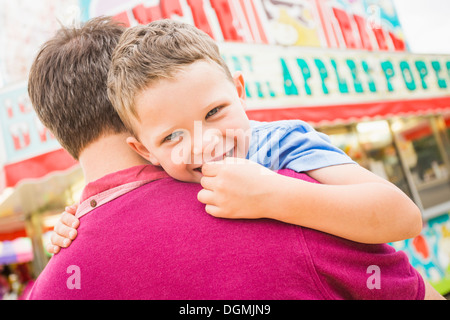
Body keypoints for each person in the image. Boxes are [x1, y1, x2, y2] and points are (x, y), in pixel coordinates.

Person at [26, 17, 443, 300]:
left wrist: (273, 195)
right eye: (172, 135)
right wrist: (74, 216)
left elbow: (402, 216)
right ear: (142, 145)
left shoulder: (279, 147)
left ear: (238, 89)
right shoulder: (96, 214)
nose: (205, 143)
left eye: (214, 112)